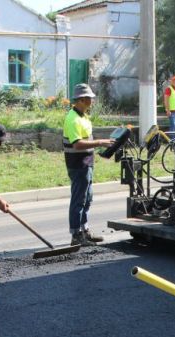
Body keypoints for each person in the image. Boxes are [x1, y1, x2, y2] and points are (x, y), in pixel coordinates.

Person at [62, 83, 114, 246]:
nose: (92, 101)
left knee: (87, 197)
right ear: (82, 100)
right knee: (79, 198)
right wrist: (100, 143)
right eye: (90, 99)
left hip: (86, 162)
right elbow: (77, 144)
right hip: (78, 164)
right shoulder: (73, 119)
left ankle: (84, 230)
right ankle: (76, 234)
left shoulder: (83, 116)